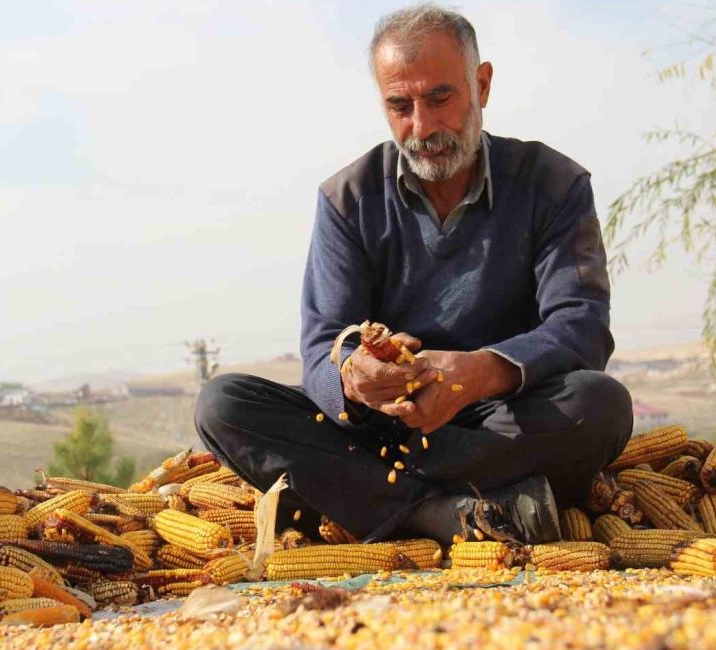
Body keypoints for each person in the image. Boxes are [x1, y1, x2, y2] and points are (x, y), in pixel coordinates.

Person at [195, 4, 632, 545]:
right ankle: (447, 513)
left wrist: (477, 372)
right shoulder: (347, 198)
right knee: (224, 406)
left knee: (601, 405)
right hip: (384, 427)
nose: (422, 127)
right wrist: (355, 376)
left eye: (440, 97)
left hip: (501, 418)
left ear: (482, 85)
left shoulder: (554, 184)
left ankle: (368, 499)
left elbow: (582, 326)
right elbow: (321, 347)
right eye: (400, 106)